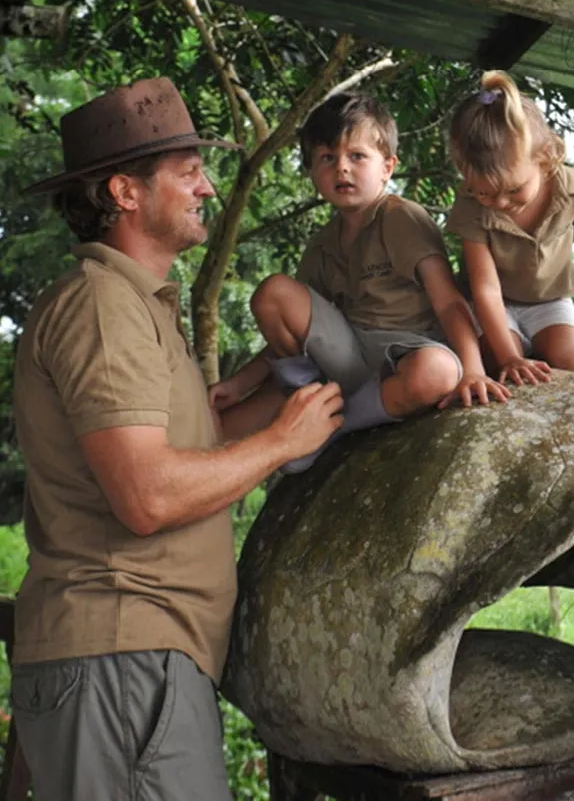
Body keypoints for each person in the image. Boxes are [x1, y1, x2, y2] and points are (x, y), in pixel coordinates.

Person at [11, 76, 344, 801]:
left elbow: (195, 446)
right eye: (188, 171)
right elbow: (147, 493)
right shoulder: (103, 307)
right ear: (125, 193)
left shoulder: (138, 307)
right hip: (123, 661)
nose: (207, 187)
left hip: (137, 663)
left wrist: (313, 393)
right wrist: (283, 441)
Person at [210, 91, 508, 473]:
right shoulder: (322, 244)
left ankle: (333, 426)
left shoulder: (402, 219)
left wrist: (473, 369)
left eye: (357, 156)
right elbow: (295, 331)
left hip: (404, 353)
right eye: (327, 159)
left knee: (438, 372)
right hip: (345, 355)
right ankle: (307, 397)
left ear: (387, 167)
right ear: (312, 170)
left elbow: (449, 303)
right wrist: (237, 384)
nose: (342, 169)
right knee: (273, 295)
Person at [446, 69, 574, 385]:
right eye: (485, 192)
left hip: (549, 298)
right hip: (495, 301)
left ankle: (527, 348)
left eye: (514, 190)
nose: (500, 202)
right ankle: (514, 349)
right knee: (497, 357)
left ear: (544, 161)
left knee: (567, 357)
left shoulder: (567, 185)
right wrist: (510, 358)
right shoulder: (471, 207)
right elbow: (485, 288)